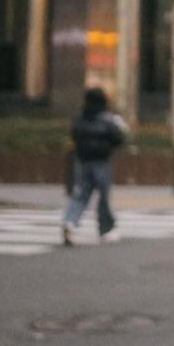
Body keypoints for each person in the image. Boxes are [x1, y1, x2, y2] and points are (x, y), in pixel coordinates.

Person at [62, 87, 128, 245]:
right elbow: (118, 138)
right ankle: (106, 229)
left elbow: (74, 135)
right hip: (102, 161)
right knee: (104, 197)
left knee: (80, 194)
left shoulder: (80, 118)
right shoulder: (107, 119)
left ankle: (70, 222)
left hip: (83, 161)